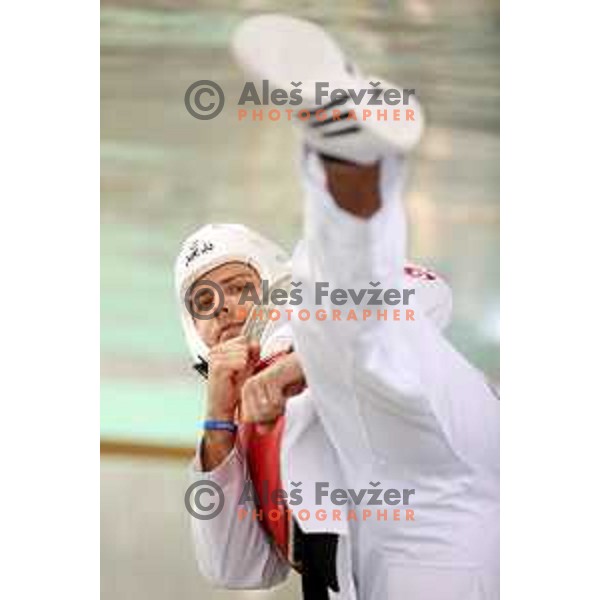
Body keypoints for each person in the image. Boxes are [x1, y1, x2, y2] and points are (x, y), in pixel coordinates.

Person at [176, 14, 499, 600]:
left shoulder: (295, 320)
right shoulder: (232, 431)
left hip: (435, 461)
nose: (224, 307)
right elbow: (240, 571)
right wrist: (218, 422)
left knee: (332, 311)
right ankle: (346, 152)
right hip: (396, 565)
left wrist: (293, 367)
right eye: (203, 300)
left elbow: (428, 296)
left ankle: (344, 155)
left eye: (241, 285)